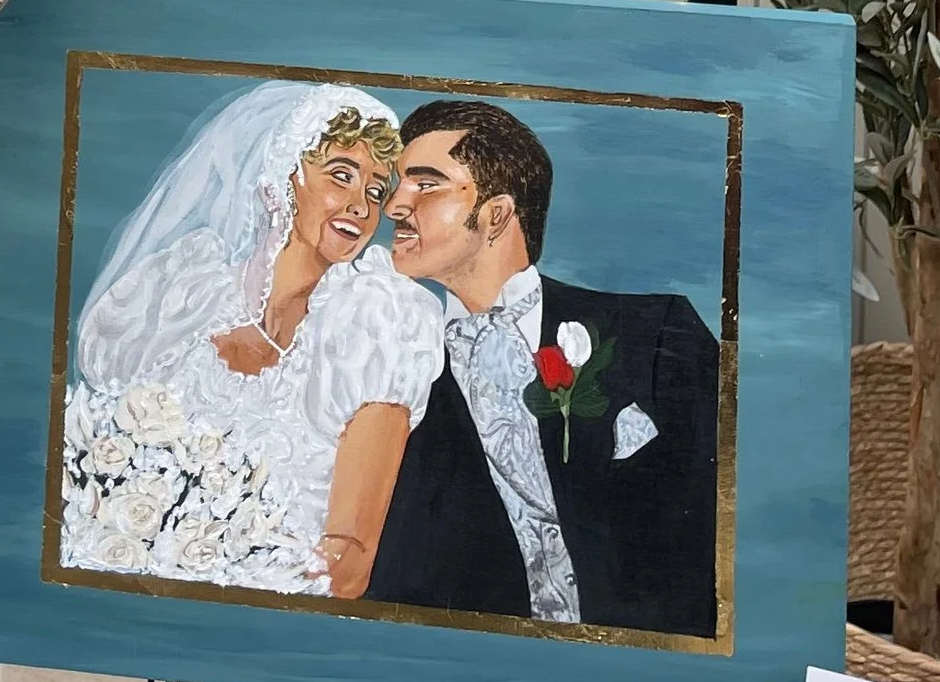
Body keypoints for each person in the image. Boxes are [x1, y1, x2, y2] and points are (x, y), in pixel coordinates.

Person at [63, 82, 442, 597]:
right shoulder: (180, 290)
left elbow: (349, 562)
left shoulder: (377, 322)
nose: (360, 206)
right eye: (340, 176)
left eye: (375, 191)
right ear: (278, 181)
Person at [367, 98, 721, 638]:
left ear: (497, 213)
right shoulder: (394, 372)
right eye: (398, 185)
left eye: (425, 183)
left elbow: (724, 531)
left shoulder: (657, 332)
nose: (395, 206)